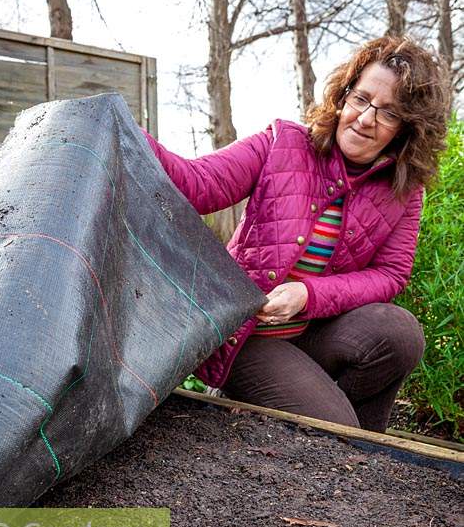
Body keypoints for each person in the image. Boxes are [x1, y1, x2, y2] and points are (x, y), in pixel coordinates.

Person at [143, 36, 449, 433]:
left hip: (314, 334)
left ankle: (364, 445)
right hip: (251, 337)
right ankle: (330, 425)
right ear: (343, 96)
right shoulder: (283, 144)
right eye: (361, 99)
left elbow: (391, 274)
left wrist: (307, 296)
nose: (366, 118)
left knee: (400, 333)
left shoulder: (403, 191)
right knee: (334, 429)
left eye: (388, 113)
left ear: (407, 129)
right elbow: (197, 184)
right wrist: (131, 136)